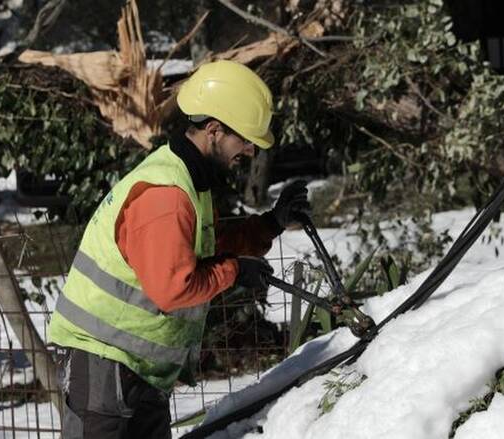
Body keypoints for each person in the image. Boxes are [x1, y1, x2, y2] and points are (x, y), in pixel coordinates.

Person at [48, 60, 310, 439]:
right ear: (215, 130)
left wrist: (271, 223)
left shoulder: (188, 184)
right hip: (105, 368)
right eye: (245, 139)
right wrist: (236, 271)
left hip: (134, 371)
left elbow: (207, 247)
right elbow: (175, 287)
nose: (251, 151)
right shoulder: (167, 194)